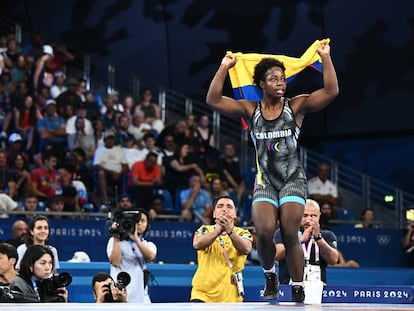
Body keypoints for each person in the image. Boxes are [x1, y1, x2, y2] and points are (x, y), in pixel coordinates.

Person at [205, 42, 338, 302]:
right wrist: (223, 68)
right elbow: (213, 100)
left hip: (292, 180)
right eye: (273, 78)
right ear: (261, 84)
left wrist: (325, 58)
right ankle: (270, 275)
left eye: (283, 78)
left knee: (290, 232)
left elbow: (331, 91)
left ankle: (297, 285)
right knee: (264, 232)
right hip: (265, 182)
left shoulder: (295, 106)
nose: (280, 82)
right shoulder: (250, 109)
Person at [190, 195, 252, 302]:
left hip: (231, 297)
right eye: (220, 206)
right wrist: (217, 231)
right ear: (214, 213)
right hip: (202, 295)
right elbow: (197, 244)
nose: (224, 209)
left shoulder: (243, 233)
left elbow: (246, 248)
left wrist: (229, 231)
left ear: (235, 214)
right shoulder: (204, 229)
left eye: (229, 207)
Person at [275, 199, 339, 287]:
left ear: (319, 216)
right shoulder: (284, 232)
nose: (308, 220)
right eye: (304, 215)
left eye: (313, 216)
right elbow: (277, 255)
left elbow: (333, 260)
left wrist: (318, 239)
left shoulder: (327, 235)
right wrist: (300, 240)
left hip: (318, 288)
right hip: (289, 286)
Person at [107, 208, 156, 303]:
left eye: (142, 221)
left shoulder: (148, 245)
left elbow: (150, 257)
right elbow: (115, 262)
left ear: (147, 225)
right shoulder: (113, 242)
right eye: (136, 221)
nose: (139, 223)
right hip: (119, 294)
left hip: (141, 297)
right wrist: (116, 238)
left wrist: (136, 239)